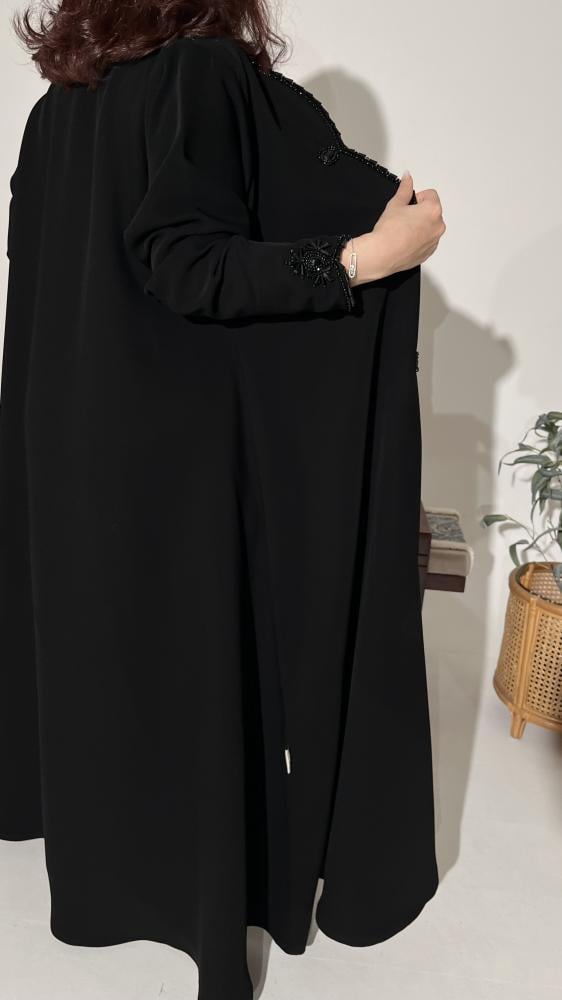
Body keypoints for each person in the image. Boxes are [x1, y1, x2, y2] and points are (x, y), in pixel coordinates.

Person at [0, 2, 446, 998]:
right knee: (200, 664)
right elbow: (187, 262)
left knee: (116, 663)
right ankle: (203, 897)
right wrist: (371, 255)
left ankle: (111, 885)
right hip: (176, 449)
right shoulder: (199, 73)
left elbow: (45, 266)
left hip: (70, 437)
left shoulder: (59, 105)